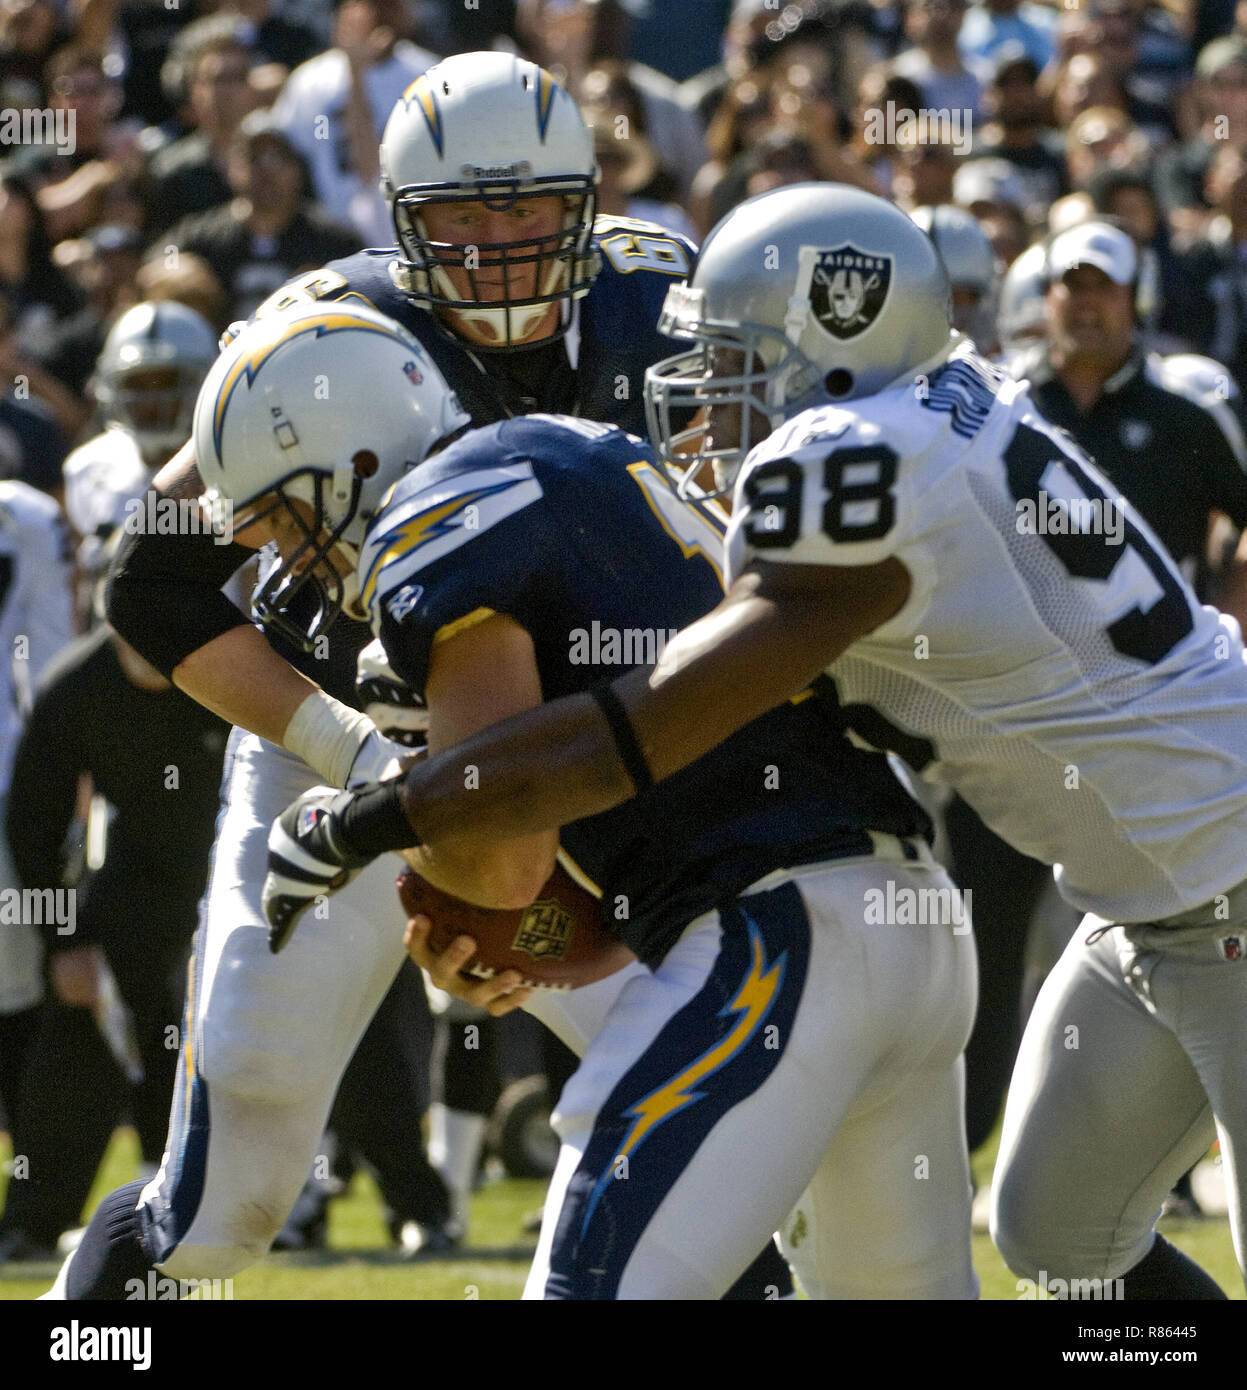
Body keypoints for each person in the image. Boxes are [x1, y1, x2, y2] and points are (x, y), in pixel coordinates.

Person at [276, 183, 1247, 1298]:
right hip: (1152, 897)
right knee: (1057, 1239)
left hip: (1221, 871)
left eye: (734, 358)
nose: (705, 400)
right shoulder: (950, 397)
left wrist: (380, 811)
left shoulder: (846, 459)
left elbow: (634, 735)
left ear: (833, 341)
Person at [46, 51, 797, 1301]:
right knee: (221, 1198)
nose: (496, 244)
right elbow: (150, 582)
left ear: (585, 198)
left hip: (573, 761)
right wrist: (360, 763)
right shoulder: (329, 338)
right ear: (400, 218)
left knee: (713, 1134)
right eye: (461, 212)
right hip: (339, 742)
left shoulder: (660, 309)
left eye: (525, 208)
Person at [216, 301, 977, 1301]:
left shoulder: (435, 514)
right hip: (904, 921)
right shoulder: (579, 451)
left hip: (777, 938)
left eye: (282, 516)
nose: (289, 557)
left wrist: (398, 844)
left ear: (350, 460)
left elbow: (506, 856)